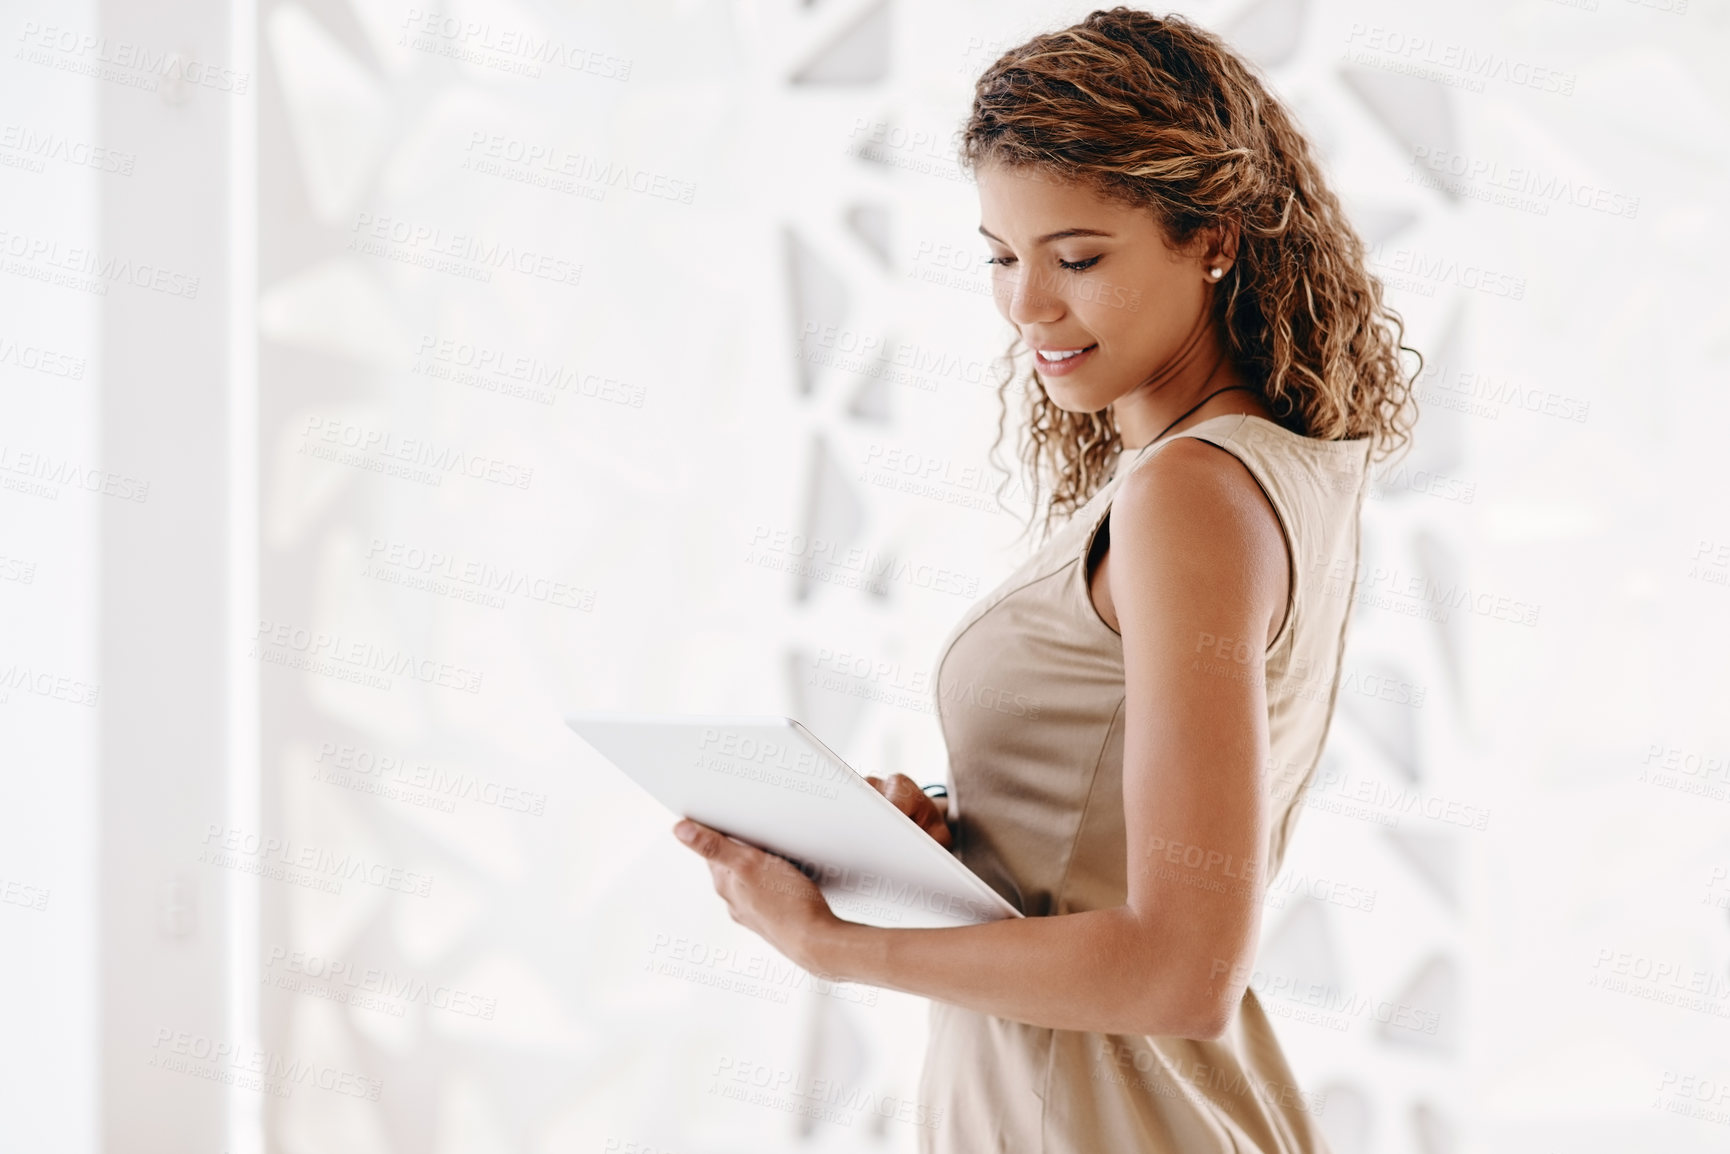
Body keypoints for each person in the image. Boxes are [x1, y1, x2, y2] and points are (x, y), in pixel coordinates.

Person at [673, 8, 1418, 1151]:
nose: (1026, 304)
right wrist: (950, 853)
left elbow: (1180, 967)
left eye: (1076, 258)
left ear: (1212, 239)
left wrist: (831, 944)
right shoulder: (1255, 473)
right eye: (999, 255)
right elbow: (1113, 854)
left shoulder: (1186, 496)